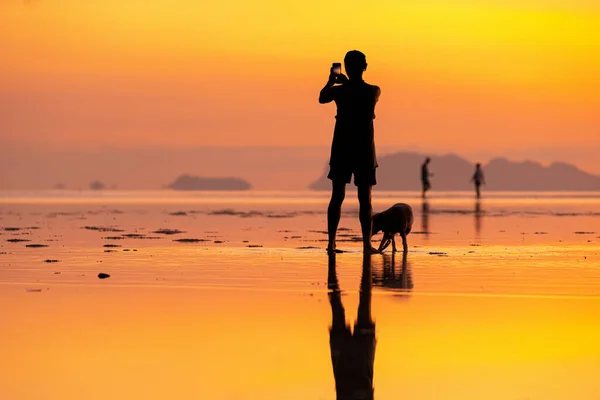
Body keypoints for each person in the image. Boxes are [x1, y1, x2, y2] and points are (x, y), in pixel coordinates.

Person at [319, 50, 381, 253]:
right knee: (365, 199)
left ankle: (331, 243)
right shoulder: (373, 91)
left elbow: (322, 97)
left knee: (337, 196)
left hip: (342, 149)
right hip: (363, 150)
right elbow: (361, 92)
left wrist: (332, 81)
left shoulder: (340, 91)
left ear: (345, 68)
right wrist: (345, 83)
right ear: (365, 67)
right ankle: (366, 244)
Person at [328, 252, 376, 399]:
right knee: (363, 299)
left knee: (361, 299)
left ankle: (333, 255)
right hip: (357, 356)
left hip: (351, 358)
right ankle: (365, 256)